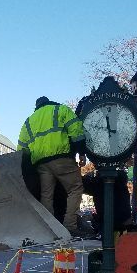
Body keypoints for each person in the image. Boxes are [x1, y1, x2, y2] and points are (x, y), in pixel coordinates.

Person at [17, 96, 87, 235]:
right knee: (75, 189)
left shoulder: (29, 121)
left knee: (46, 196)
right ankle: (70, 226)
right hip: (62, 158)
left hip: (41, 164)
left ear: (36, 107)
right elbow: (76, 130)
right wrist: (82, 152)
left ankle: (49, 228)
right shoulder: (60, 109)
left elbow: (21, 149)